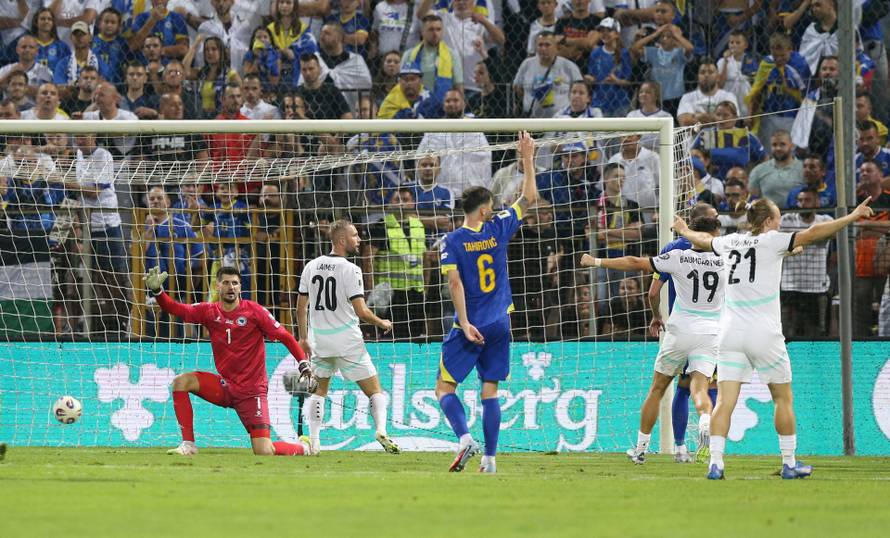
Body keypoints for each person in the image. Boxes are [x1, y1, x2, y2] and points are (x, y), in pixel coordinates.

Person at [673, 196, 875, 480]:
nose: (780, 223)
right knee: (783, 398)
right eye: (778, 218)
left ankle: (715, 463)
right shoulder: (773, 241)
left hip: (730, 334)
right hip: (764, 334)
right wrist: (852, 217)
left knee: (725, 402)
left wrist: (682, 229)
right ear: (768, 221)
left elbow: (703, 240)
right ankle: (789, 462)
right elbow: (816, 233)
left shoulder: (730, 241)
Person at [581, 209, 723, 465]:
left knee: (657, 388)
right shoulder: (727, 259)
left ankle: (640, 448)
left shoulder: (679, 256)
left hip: (680, 330)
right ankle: (704, 419)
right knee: (700, 387)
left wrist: (597, 262)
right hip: (710, 332)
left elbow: (635, 262)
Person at [436, 131, 538, 474]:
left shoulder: (451, 241)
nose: (493, 210)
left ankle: (465, 438)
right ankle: (490, 461)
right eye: (490, 207)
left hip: (471, 323)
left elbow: (454, 282)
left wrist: (464, 323)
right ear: (483, 210)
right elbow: (529, 197)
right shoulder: (499, 228)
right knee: (489, 389)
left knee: (444, 386)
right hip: (500, 322)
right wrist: (527, 156)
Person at [145, 265, 314, 457]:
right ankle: (189, 445)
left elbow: (285, 336)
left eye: (235, 283)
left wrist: (303, 362)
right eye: (226, 283)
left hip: (252, 392)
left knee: (264, 451)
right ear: (218, 286)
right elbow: (175, 308)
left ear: (240, 287)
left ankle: (303, 448)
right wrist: (158, 291)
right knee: (181, 382)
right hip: (226, 386)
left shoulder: (255, 312)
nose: (231, 287)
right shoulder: (209, 311)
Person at [296, 219, 399, 456]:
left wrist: (303, 338)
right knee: (375, 391)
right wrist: (382, 322)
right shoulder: (352, 270)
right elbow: (361, 311)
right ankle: (382, 430)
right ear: (342, 240)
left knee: (318, 392)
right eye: (354, 235)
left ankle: (314, 442)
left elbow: (301, 307)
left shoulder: (311, 266)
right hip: (348, 340)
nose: (359, 239)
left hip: (319, 340)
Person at [780, 188, 833, 338]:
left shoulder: (825, 220)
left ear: (817, 202)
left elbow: (835, 233)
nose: (803, 204)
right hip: (790, 287)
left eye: (807, 200)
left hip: (816, 288)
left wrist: (798, 239)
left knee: (816, 335)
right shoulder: (787, 220)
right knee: (787, 334)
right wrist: (812, 237)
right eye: (800, 200)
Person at [513, 31, 582, 118]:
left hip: (561, 120)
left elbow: (579, 90)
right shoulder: (527, 64)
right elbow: (517, 88)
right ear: (535, 47)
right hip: (532, 119)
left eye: (547, 45)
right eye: (540, 45)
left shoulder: (569, 67)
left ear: (556, 47)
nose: (543, 48)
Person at [748, 130, 803, 209]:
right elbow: (752, 198)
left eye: (782, 144)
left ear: (792, 146)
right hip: (768, 217)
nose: (778, 148)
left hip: (798, 216)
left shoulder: (804, 168)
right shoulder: (758, 170)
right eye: (774, 145)